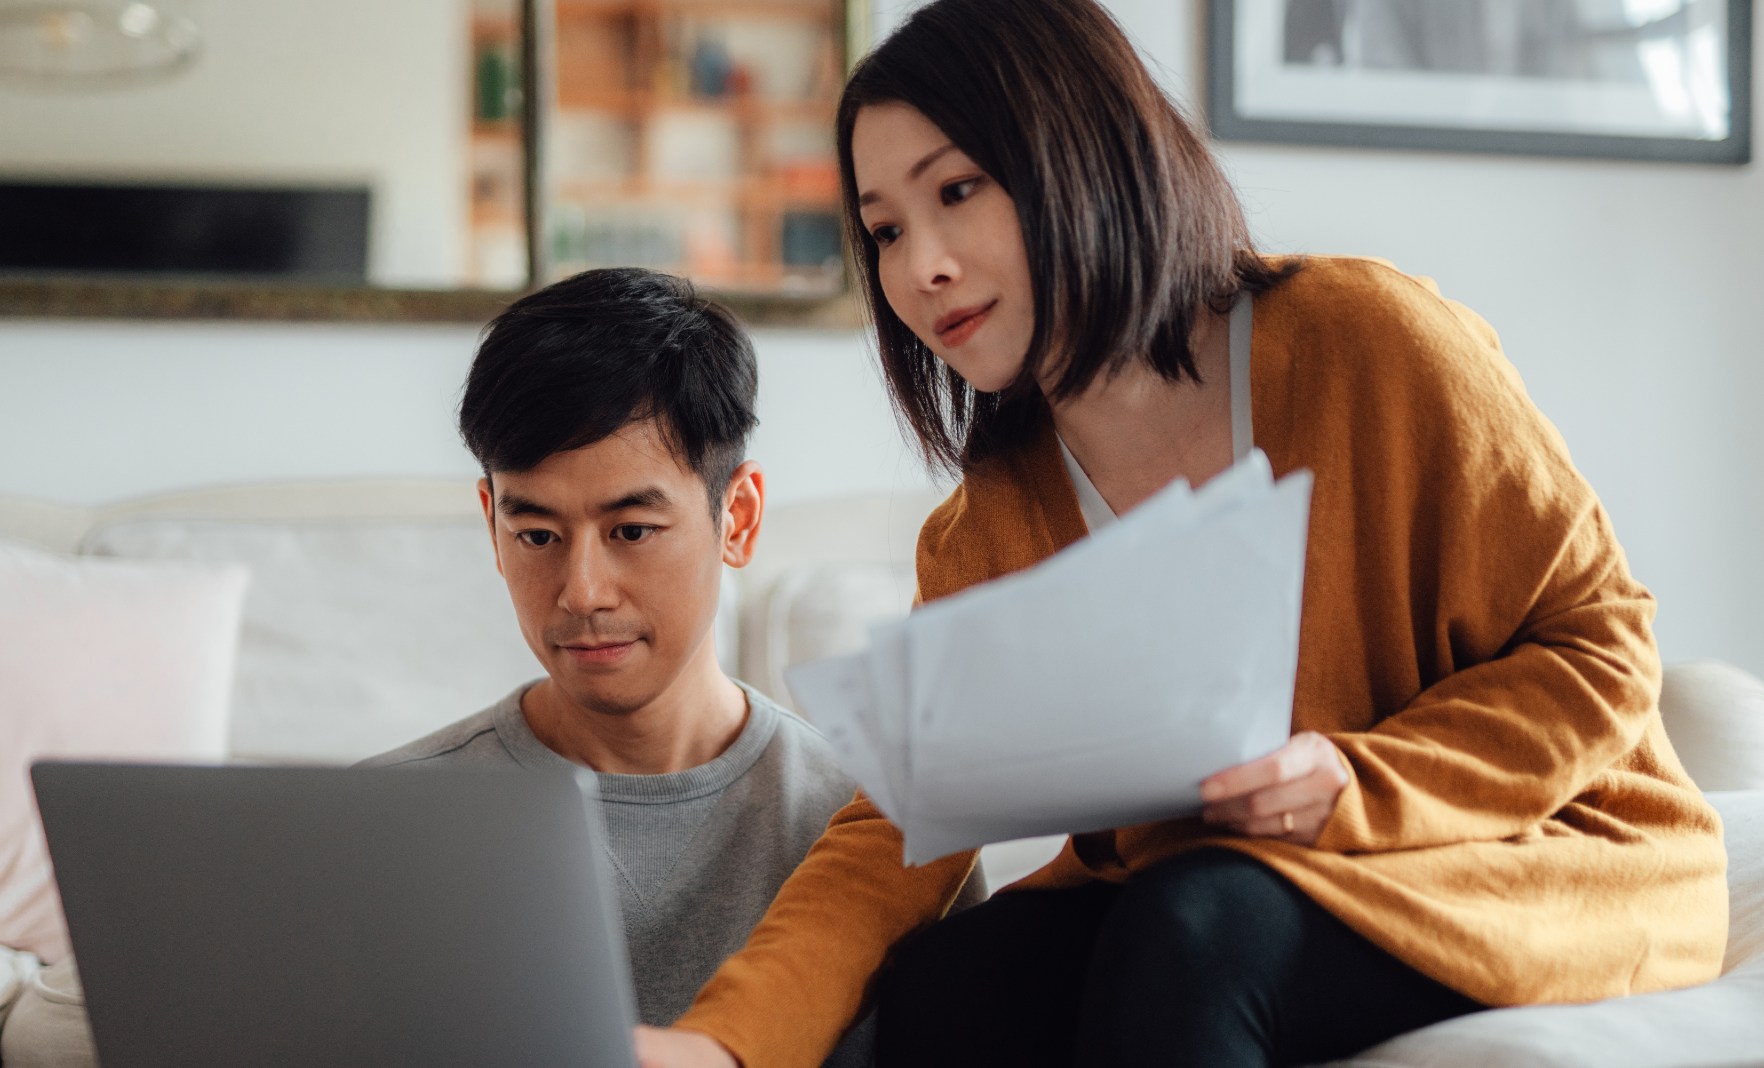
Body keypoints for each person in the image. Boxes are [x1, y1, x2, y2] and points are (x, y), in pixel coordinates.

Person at [646, 2, 1729, 1067]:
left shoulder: (1375, 343)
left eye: (958, 191)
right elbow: (897, 833)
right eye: (885, 230)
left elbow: (1601, 650)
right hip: (1235, 880)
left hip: (1527, 855)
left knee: (1196, 926)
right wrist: (724, 1044)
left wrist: (1358, 781)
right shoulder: (987, 524)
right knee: (955, 984)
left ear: (1082, 151)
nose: (919, 266)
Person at [362, 267, 973, 1068]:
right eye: (538, 535)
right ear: (492, 525)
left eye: (633, 530)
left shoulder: (879, 827)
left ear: (738, 519)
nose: (581, 593)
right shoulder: (380, 824)